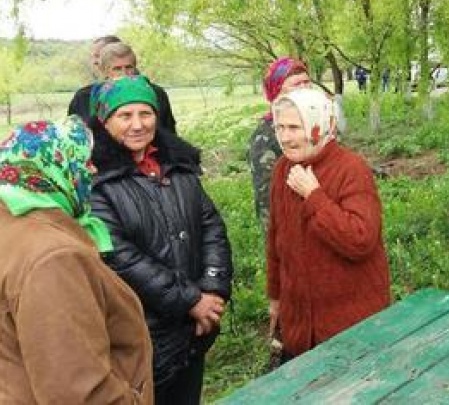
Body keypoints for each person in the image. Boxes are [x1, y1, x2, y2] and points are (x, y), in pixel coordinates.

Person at [89, 75, 232, 404]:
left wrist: (212, 289)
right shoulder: (97, 182)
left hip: (194, 328)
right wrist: (191, 300)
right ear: (104, 121)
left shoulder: (176, 166)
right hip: (144, 334)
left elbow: (210, 225)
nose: (138, 125)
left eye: (146, 113)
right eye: (125, 116)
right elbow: (120, 257)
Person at [0, 116, 154, 404]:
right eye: (81, 162)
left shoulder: (11, 222)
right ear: (50, 170)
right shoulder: (53, 258)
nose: (92, 170)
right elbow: (79, 392)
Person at [268, 88, 391, 360]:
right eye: (280, 127)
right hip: (300, 325)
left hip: (351, 325)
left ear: (320, 125)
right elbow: (277, 240)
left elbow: (360, 240)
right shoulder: (282, 170)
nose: (285, 138)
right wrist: (276, 298)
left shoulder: (350, 169)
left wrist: (314, 196)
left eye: (294, 127)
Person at [247, 57, 313, 230]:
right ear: (277, 92)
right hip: (292, 226)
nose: (305, 88)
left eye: (307, 82)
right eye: (297, 84)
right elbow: (267, 199)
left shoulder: (317, 123)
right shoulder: (265, 139)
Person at [68, 39, 178, 134]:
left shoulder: (156, 93)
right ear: (104, 70)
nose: (124, 74)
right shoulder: (83, 97)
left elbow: (169, 134)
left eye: (128, 67)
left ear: (135, 67)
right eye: (117, 69)